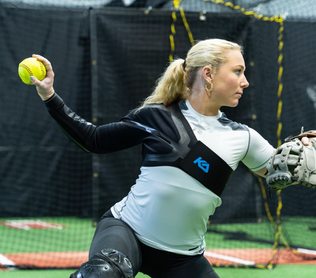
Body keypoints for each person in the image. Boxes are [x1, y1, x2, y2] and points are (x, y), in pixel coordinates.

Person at [30, 39, 277, 278]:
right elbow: (93, 139)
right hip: (126, 232)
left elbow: (280, 171)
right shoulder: (155, 117)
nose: (245, 82)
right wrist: (49, 95)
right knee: (101, 274)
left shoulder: (244, 137)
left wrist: (305, 153)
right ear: (208, 74)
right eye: (237, 71)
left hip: (183, 258)